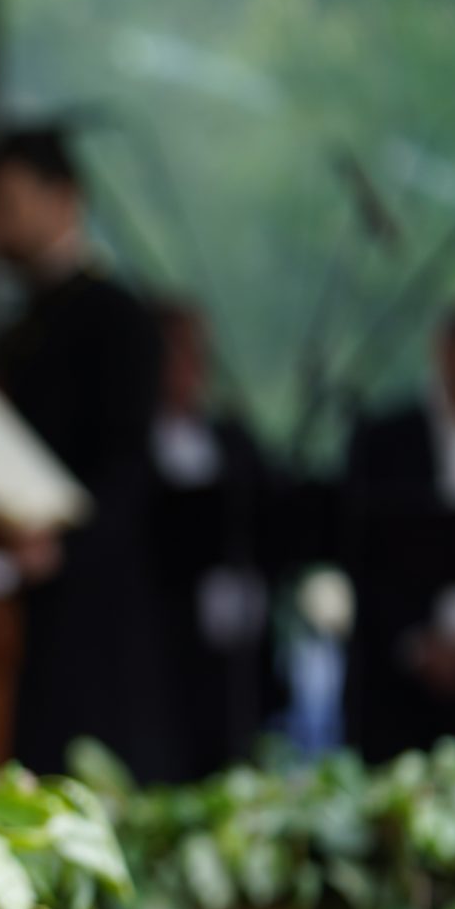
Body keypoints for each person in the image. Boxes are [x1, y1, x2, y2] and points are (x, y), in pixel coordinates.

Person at [0, 126, 178, 780]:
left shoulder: (119, 318)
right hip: (18, 601)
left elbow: (130, 465)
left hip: (95, 603)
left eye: (8, 202)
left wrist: (63, 547)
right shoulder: (12, 328)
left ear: (63, 198)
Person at [341, 301, 455, 762]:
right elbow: (361, 553)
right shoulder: (383, 438)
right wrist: (417, 646)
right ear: (446, 351)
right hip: (392, 687)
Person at [146, 300, 275, 778]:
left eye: (198, 352)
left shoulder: (235, 440)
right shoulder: (136, 447)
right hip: (168, 661)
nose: (191, 364)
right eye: (177, 351)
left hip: (238, 663)